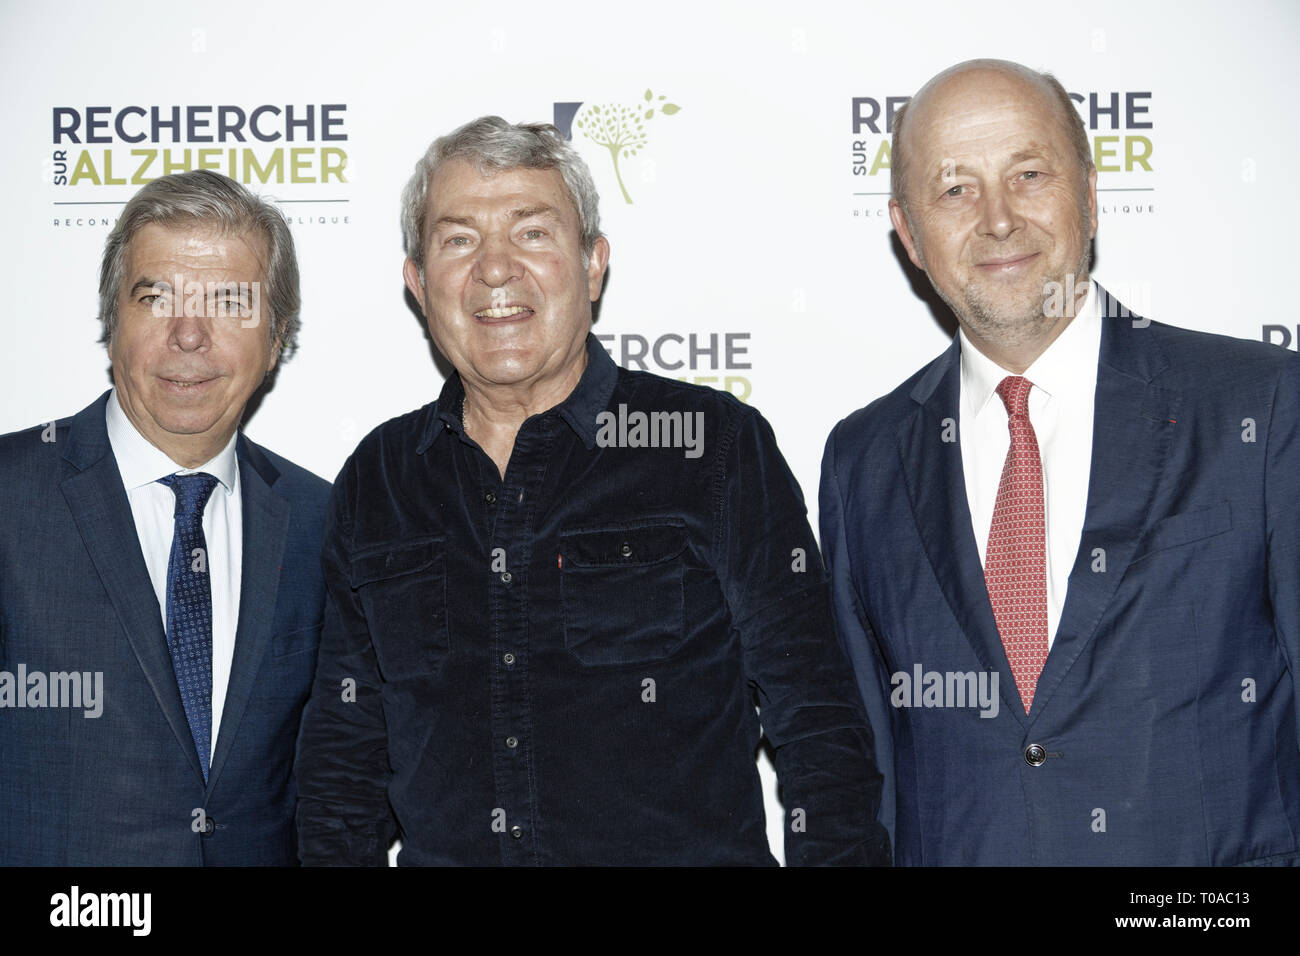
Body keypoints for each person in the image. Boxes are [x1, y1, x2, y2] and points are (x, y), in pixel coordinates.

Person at [295, 116, 888, 866]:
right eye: (458, 240)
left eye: (532, 233)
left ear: (593, 264)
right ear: (418, 283)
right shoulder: (378, 480)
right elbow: (343, 767)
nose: (496, 269)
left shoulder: (711, 445)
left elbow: (820, 726)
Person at [821, 58, 1300, 865]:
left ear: (1089, 192)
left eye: (1029, 174)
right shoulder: (863, 458)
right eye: (954, 190)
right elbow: (861, 764)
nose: (999, 219)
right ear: (908, 231)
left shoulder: (1262, 404)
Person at [0, 170, 330, 865]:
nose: (188, 334)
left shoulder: (321, 521)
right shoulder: (10, 497)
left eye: (228, 302)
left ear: (276, 338)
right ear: (112, 321)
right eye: (156, 298)